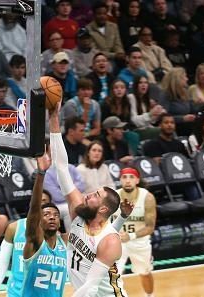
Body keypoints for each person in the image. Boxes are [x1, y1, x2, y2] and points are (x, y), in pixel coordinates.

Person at [49, 102, 130, 296]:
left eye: (96, 196)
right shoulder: (79, 211)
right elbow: (61, 166)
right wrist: (53, 118)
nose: (88, 195)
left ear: (103, 209)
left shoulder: (110, 241)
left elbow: (90, 287)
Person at [0, 190, 52, 297]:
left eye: (44, 201)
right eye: (37, 200)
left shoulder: (53, 232)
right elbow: (3, 259)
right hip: (16, 290)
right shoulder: (14, 227)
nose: (40, 203)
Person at [22, 155, 68, 297]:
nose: (52, 217)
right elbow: (34, 208)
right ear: (39, 221)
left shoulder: (64, 244)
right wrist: (41, 174)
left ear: (60, 222)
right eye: (46, 214)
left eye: (55, 214)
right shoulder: (35, 241)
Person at [115, 167, 157, 297]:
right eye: (124, 177)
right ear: (120, 180)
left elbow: (150, 227)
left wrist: (131, 236)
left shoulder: (147, 197)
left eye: (131, 177)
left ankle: (149, 295)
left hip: (139, 241)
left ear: (137, 180)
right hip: (118, 242)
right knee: (112, 276)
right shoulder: (113, 197)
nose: (128, 180)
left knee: (144, 272)